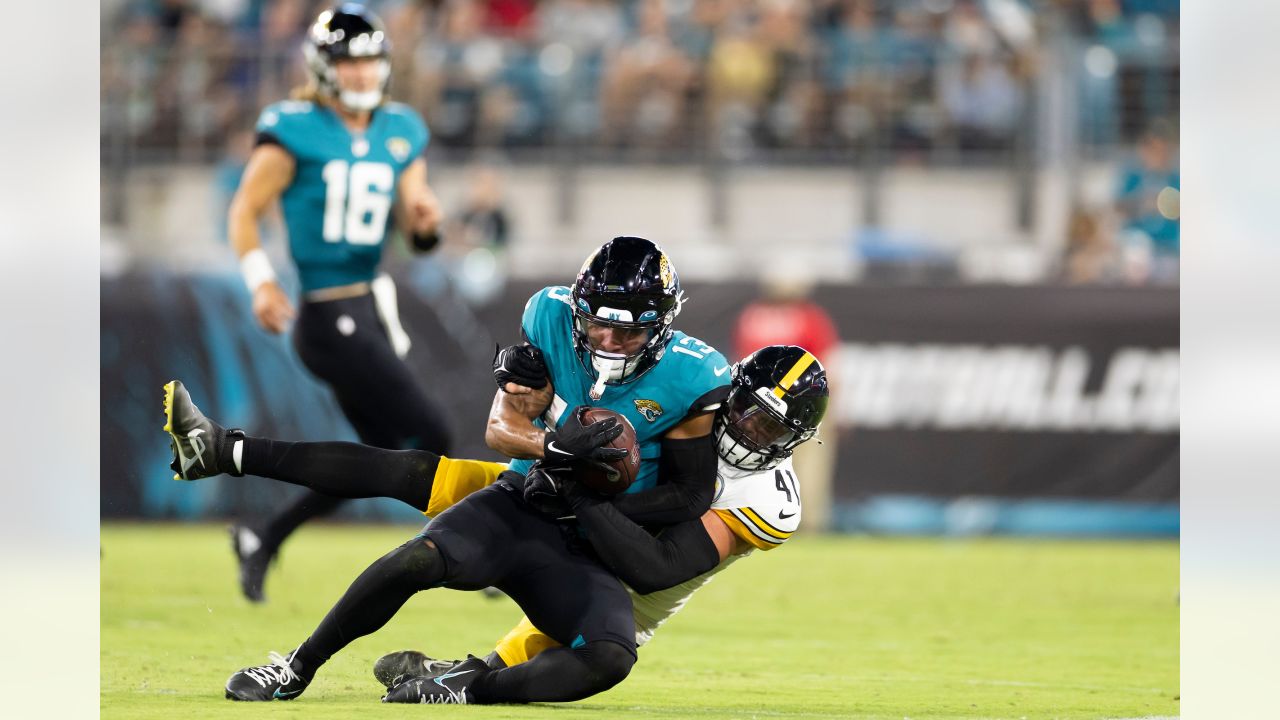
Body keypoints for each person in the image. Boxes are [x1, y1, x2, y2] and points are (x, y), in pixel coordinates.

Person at [166, 236, 731, 702]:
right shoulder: (553, 316)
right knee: (416, 552)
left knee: (610, 655)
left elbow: (689, 493)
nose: (607, 342)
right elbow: (502, 427)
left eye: (628, 331)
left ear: (662, 325)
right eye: (597, 326)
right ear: (579, 312)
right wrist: (552, 451)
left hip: (597, 538)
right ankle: (296, 666)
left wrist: (594, 502)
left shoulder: (693, 375)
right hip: (523, 498)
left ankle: (468, 685)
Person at [162, 344, 828, 703]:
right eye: (741, 409)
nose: (741, 428)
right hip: (556, 509)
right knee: (413, 473)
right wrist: (543, 413)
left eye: (766, 425)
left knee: (552, 664)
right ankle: (227, 450)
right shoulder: (692, 402)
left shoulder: (769, 498)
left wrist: (581, 485)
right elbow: (548, 418)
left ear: (791, 439)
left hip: (622, 580)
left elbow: (656, 564)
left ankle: (462, 674)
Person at [224, 5, 453, 602]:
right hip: (327, 314)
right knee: (432, 430)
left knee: (367, 462)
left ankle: (264, 536)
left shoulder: (401, 127)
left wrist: (427, 223)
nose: (361, 71)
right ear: (324, 67)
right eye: (349, 60)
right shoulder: (293, 125)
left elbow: (417, 228)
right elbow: (245, 209)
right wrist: (261, 280)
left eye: (370, 58)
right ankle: (479, 547)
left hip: (372, 307)